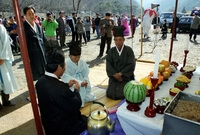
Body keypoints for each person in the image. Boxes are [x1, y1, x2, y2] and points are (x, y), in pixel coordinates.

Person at [35, 48, 87, 135]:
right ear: (59, 67)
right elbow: (76, 104)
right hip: (63, 128)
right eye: (64, 65)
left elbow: (54, 94)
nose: (65, 67)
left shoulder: (40, 82)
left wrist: (67, 85)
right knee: (87, 121)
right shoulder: (60, 89)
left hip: (49, 124)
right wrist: (76, 90)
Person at [61, 42, 96, 107]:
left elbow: (86, 73)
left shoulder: (82, 62)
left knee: (90, 97)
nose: (77, 59)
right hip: (72, 85)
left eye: (78, 56)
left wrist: (85, 81)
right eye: (75, 57)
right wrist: (80, 83)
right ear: (69, 55)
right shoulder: (66, 64)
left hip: (82, 82)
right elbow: (65, 77)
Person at [106, 26, 136, 100]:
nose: (118, 42)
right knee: (110, 93)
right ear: (114, 41)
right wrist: (115, 75)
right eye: (116, 40)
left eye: (120, 40)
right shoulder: (111, 51)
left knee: (125, 93)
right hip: (114, 78)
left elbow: (131, 64)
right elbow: (108, 65)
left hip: (126, 77)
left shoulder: (129, 50)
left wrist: (121, 74)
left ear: (124, 40)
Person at [23, 6, 47, 81]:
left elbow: (44, 39)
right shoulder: (23, 27)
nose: (31, 16)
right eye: (29, 14)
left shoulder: (38, 26)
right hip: (32, 55)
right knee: (36, 72)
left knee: (44, 70)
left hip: (41, 52)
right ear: (25, 15)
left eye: (32, 13)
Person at [0, 24, 18, 110]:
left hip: (1, 60)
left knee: (5, 81)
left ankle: (6, 101)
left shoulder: (0, 28)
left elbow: (6, 43)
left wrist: (3, 57)